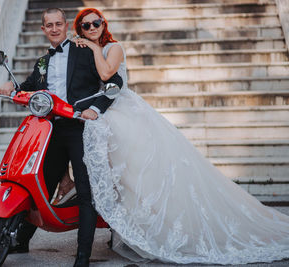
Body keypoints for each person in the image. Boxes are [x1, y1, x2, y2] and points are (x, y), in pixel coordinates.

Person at [57, 7, 289, 265]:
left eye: (95, 23)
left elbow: (105, 75)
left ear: (103, 24)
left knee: (139, 173)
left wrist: (92, 48)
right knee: (119, 176)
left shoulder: (113, 47)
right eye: (85, 26)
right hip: (101, 112)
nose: (91, 29)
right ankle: (118, 223)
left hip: (123, 112)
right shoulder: (83, 50)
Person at [0, 8, 123, 267]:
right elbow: (33, 82)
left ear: (66, 26)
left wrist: (95, 109)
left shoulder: (84, 49)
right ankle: (20, 239)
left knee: (86, 192)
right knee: (39, 183)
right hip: (49, 129)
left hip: (79, 128)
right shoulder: (43, 60)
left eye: (58, 24)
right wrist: (14, 87)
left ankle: (82, 256)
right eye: (49, 25)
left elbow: (115, 82)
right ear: (43, 30)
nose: (54, 29)